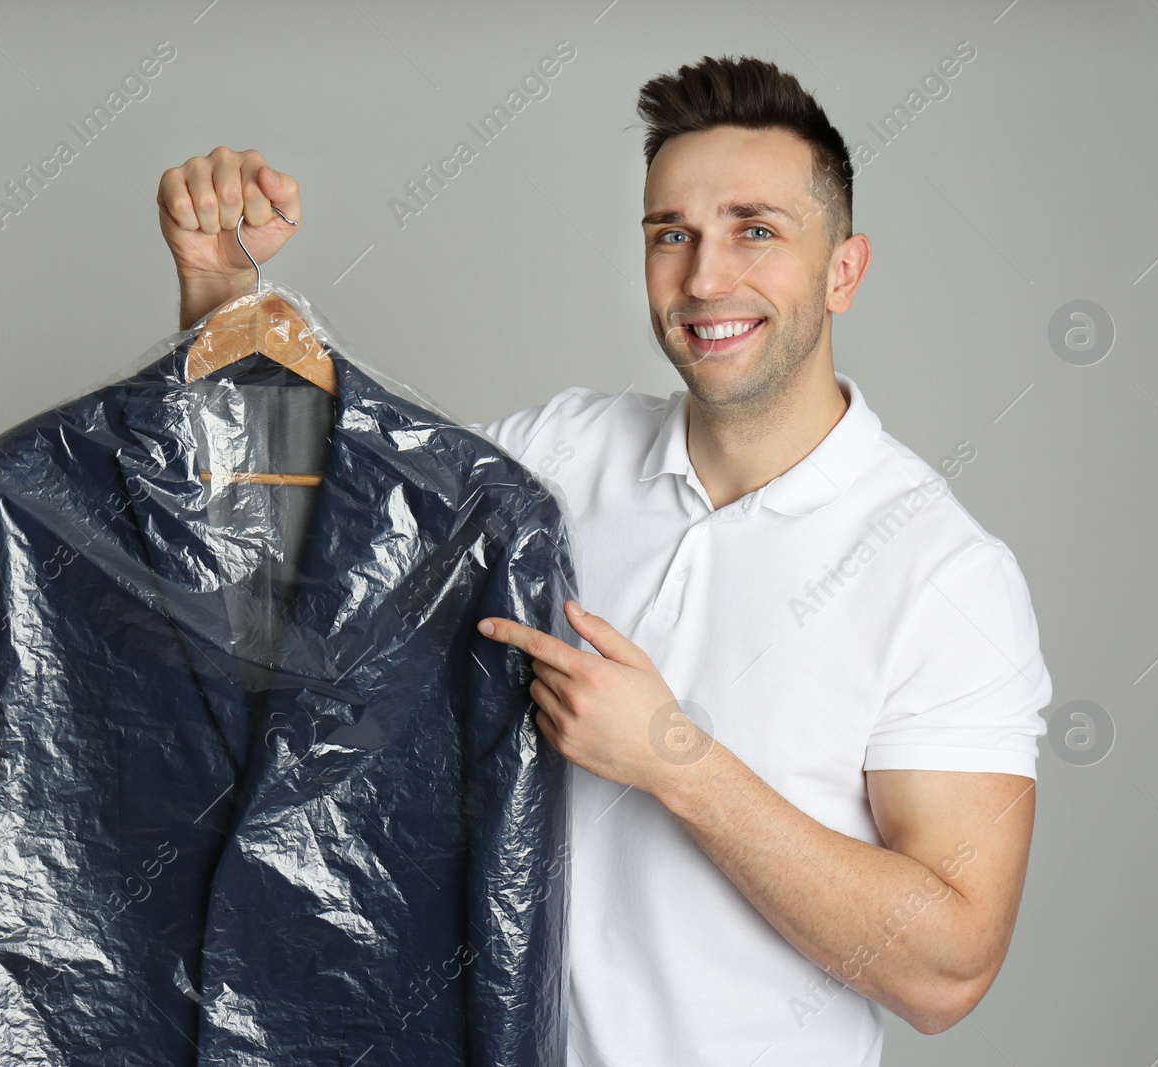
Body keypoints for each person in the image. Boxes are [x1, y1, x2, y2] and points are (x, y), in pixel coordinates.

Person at [156, 54, 1050, 1067]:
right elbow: (304, 532)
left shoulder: (940, 573)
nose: (706, 277)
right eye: (673, 234)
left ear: (843, 268)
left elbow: (947, 965)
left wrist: (675, 757)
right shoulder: (559, 455)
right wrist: (224, 295)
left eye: (755, 230)